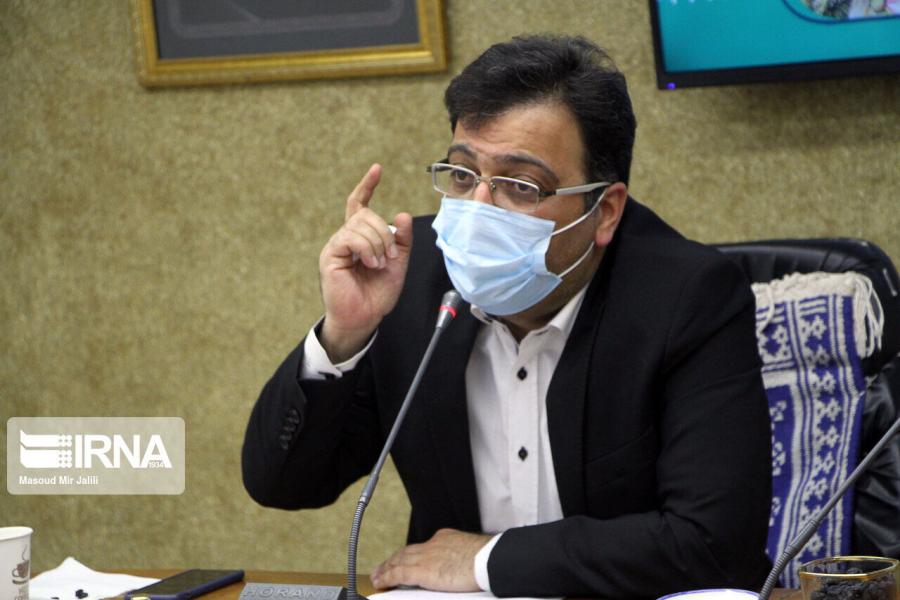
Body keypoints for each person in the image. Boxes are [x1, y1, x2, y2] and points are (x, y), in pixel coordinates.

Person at [242, 35, 772, 598]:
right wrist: (343, 335)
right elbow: (283, 485)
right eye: (462, 175)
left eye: (520, 186)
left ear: (605, 211)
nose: (478, 211)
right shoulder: (409, 275)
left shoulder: (687, 296)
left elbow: (712, 542)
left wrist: (485, 561)